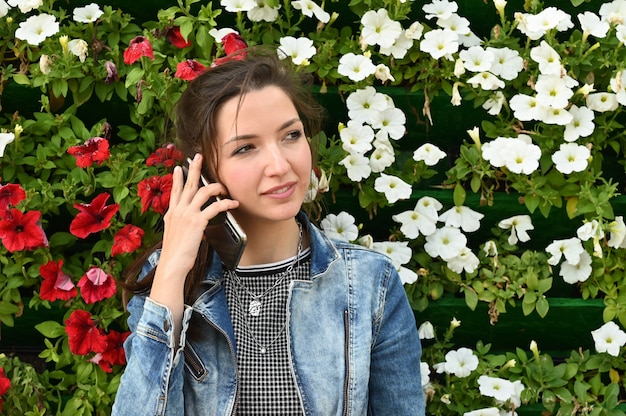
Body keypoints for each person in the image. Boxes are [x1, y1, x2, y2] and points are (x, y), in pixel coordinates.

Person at [112, 49, 425, 416]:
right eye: (246, 148)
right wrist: (170, 278)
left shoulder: (371, 284)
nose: (280, 165)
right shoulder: (169, 282)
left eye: (291, 135)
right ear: (204, 171)